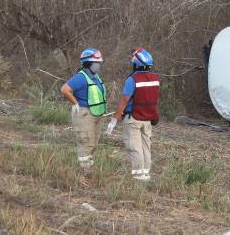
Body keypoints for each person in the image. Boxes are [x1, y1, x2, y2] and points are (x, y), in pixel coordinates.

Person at [108, 47, 160, 181]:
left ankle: (138, 177)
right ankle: (146, 174)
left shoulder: (132, 80)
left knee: (134, 147)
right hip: (148, 119)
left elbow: (124, 100)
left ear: (136, 64)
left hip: (133, 119)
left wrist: (114, 120)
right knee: (146, 147)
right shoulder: (155, 79)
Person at [60, 47, 107, 169]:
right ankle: (84, 170)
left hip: (96, 114)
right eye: (96, 63)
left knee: (93, 143)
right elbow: (65, 90)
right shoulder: (80, 77)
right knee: (85, 142)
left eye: (99, 63)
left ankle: (88, 167)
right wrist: (75, 103)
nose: (98, 65)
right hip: (84, 114)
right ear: (88, 64)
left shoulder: (95, 77)